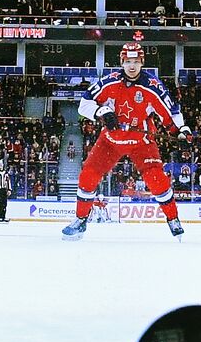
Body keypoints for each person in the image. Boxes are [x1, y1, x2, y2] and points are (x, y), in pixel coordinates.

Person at [62, 43, 193, 240]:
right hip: (111, 140)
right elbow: (83, 105)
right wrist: (100, 111)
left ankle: (173, 220)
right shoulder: (109, 82)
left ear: (142, 62)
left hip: (141, 141)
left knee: (156, 180)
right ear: (122, 62)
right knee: (88, 176)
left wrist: (181, 131)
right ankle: (80, 220)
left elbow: (170, 113)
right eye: (128, 61)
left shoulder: (152, 86)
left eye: (136, 62)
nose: (132, 66)